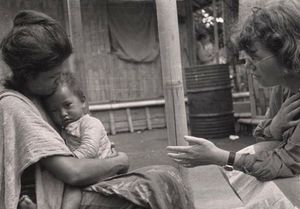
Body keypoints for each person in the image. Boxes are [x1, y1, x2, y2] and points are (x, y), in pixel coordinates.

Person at [0, 10, 194, 209]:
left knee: (165, 177)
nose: (58, 81)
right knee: (158, 183)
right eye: (53, 77)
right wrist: (120, 161)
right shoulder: (16, 106)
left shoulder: (40, 98)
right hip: (54, 197)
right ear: (28, 74)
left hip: (70, 186)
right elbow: (72, 172)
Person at [168, 0, 300, 207]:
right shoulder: (284, 86)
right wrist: (275, 127)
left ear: (286, 52)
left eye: (254, 56)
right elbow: (262, 139)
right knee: (256, 153)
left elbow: (286, 163)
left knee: (268, 191)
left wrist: (220, 156)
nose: (247, 66)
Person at [43, 72, 116, 209]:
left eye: (67, 105)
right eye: (54, 111)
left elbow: (90, 149)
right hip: (83, 168)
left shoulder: (90, 123)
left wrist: (70, 162)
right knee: (53, 182)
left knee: (72, 188)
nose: (63, 114)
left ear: (82, 101)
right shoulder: (63, 129)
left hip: (99, 169)